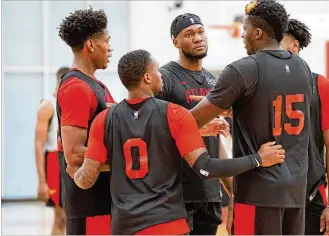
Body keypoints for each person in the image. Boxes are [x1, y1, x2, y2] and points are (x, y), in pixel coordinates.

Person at [66, 49, 286, 235]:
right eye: (157, 70)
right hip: (167, 223)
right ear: (147, 78)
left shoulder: (104, 119)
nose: (161, 75)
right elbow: (206, 168)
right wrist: (257, 159)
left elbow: (86, 179)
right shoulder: (174, 114)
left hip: (125, 226)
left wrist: (74, 173)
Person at [190, 0, 314, 234]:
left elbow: (190, 121)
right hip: (296, 191)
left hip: (259, 192)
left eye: (245, 30)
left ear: (258, 33)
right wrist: (236, 109)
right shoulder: (303, 67)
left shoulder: (243, 69)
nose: (242, 35)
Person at [155, 13, 232, 235]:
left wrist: (230, 190)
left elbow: (218, 144)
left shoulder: (214, 82)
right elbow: (151, 126)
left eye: (200, 32)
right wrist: (193, 126)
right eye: (189, 34)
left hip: (209, 193)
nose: (197, 38)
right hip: (176, 193)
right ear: (175, 42)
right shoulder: (166, 77)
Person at [281, 18, 329, 235]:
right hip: (269, 195)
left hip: (311, 194)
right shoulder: (257, 85)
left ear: (294, 47)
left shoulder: (322, 86)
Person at [56, 7, 115, 235]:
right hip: (89, 207)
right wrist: (128, 160)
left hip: (103, 202)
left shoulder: (96, 86)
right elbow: (74, 155)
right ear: (91, 45)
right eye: (107, 41)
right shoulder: (76, 88)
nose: (110, 48)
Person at [35, 66, 70, 235]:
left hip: (71, 160)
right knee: (61, 218)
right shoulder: (47, 106)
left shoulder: (72, 102)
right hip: (55, 161)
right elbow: (38, 145)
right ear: (60, 81)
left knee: (72, 218)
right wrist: (41, 181)